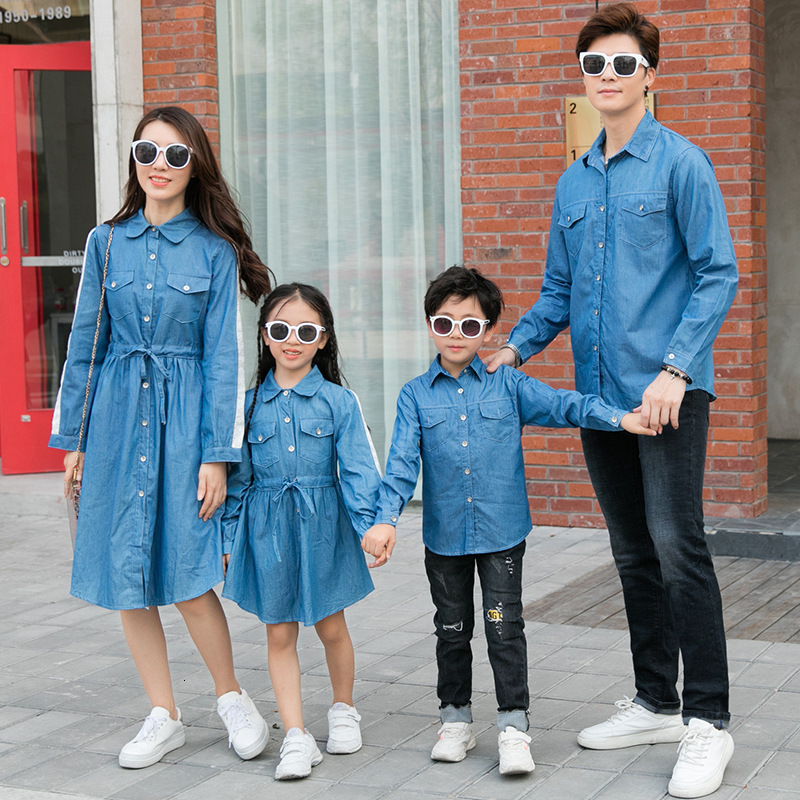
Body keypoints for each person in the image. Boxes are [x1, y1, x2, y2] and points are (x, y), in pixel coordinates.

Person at [485, 4, 739, 798]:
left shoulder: (682, 164)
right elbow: (558, 292)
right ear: (583, 77)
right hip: (603, 404)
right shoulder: (573, 180)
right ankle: (657, 699)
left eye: (624, 64)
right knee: (631, 555)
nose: (609, 77)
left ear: (650, 75)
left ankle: (707, 723)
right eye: (595, 65)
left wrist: (674, 369)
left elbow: (717, 273)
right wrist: (515, 347)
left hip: (665, 394)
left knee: (678, 551)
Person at [361, 265, 656, 777]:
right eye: (444, 322)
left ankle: (514, 726)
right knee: (451, 631)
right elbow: (401, 466)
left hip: (502, 535)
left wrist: (620, 418)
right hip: (444, 539)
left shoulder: (508, 385)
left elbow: (567, 405)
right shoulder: (414, 395)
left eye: (470, 325)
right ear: (430, 324)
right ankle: (454, 720)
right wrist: (385, 520)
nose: (456, 334)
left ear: (490, 332)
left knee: (504, 629)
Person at [50, 106, 273, 769]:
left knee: (188, 568)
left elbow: (223, 361)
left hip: (184, 426)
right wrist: (76, 442)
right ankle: (162, 712)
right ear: (134, 159)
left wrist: (216, 457)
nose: (160, 166)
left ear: (195, 165)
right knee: (128, 569)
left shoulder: (213, 250)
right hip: (117, 420)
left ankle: (231, 695)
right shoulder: (105, 243)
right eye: (149, 151)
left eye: (177, 156)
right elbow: (87, 345)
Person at [222, 283, 382, 781]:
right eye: (280, 329)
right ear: (265, 336)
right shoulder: (245, 407)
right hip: (267, 531)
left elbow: (359, 470)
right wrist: (229, 542)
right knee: (278, 632)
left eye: (306, 330)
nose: (293, 339)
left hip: (323, 528)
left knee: (332, 626)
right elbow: (237, 482)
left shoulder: (339, 401)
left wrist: (371, 525)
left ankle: (343, 707)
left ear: (323, 340)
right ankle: (295, 734)